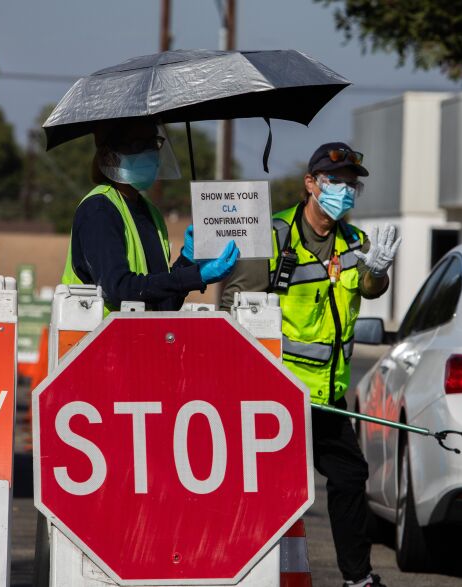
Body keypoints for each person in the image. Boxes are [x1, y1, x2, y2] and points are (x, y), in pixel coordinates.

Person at [221, 142, 401, 587]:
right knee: (271, 490)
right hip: (277, 390)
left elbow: (370, 288)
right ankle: (239, 571)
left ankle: (357, 579)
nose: (344, 190)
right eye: (334, 181)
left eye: (351, 184)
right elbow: (234, 307)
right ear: (310, 184)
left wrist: (377, 270)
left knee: (350, 476)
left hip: (327, 394)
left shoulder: (355, 242)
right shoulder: (273, 235)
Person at [63, 118, 239, 310]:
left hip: (144, 337)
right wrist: (196, 276)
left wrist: (188, 260)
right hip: (99, 338)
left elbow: (164, 302)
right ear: (109, 155)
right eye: (138, 144)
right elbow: (121, 290)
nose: (149, 152)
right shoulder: (98, 210)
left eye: (153, 143)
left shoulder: (150, 212)